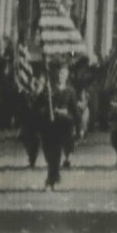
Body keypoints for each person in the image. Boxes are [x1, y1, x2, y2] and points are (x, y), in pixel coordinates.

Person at [40, 62, 78, 190]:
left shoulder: (70, 92)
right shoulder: (49, 89)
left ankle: (51, 180)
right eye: (60, 73)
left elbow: (75, 112)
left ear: (67, 76)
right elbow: (39, 105)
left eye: (64, 74)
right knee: (48, 153)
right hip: (48, 125)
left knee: (55, 154)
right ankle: (54, 176)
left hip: (63, 126)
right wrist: (46, 97)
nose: (61, 76)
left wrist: (68, 116)